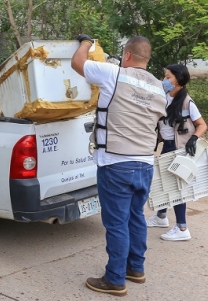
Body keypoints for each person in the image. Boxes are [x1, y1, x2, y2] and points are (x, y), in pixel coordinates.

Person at [71, 35, 167, 296]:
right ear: (147, 59)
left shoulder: (113, 73)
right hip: (145, 164)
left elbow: (78, 63)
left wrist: (85, 43)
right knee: (136, 218)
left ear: (126, 55)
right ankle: (135, 268)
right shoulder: (159, 87)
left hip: (116, 163)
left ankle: (114, 279)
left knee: (116, 224)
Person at [146, 64, 207, 241]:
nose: (165, 80)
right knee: (164, 183)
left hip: (179, 148)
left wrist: (194, 139)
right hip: (167, 146)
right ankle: (161, 216)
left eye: (168, 77)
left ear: (179, 80)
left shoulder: (187, 101)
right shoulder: (164, 98)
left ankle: (182, 228)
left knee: (177, 188)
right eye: (165, 77)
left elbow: (202, 125)